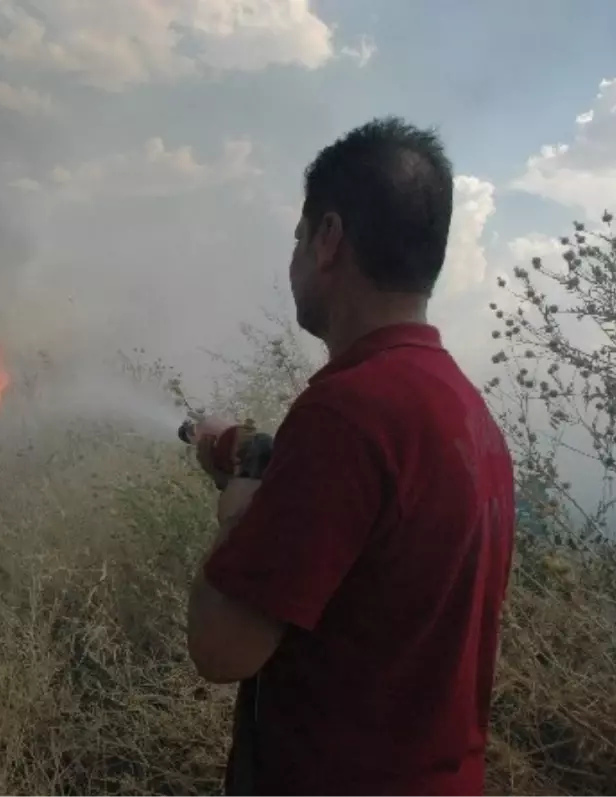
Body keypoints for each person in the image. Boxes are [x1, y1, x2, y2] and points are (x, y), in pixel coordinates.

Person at [185, 117, 516, 796]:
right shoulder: (466, 411)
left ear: (328, 239)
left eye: (298, 239)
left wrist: (240, 511)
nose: (295, 260)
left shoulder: (347, 413)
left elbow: (221, 648)